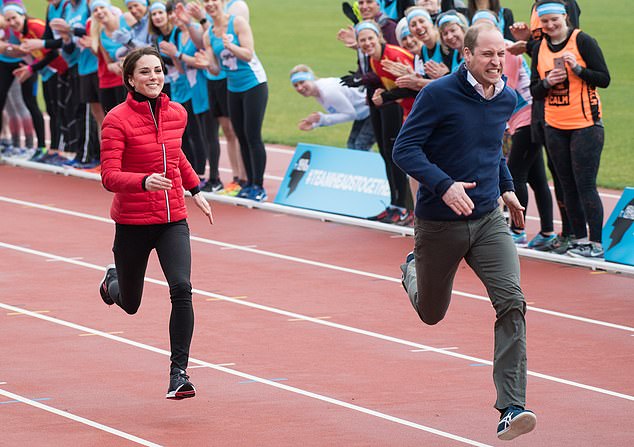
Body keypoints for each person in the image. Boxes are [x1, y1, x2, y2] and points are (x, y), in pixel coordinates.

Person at [393, 23, 536, 440]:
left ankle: (512, 407)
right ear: (468, 55)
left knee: (512, 301)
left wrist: (507, 191)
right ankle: (413, 270)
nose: (496, 62)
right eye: (488, 55)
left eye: (501, 55)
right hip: (440, 222)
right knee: (432, 314)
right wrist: (444, 184)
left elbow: (492, 151)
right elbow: (405, 148)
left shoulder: (506, 98)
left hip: (490, 219)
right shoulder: (437, 95)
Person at [99, 46, 213, 400]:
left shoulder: (177, 113)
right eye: (145, 72)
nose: (154, 78)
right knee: (130, 303)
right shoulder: (116, 120)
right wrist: (143, 181)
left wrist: (195, 189)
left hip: (172, 219)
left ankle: (179, 374)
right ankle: (111, 282)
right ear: (130, 79)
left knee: (182, 288)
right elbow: (109, 175)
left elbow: (175, 153)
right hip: (133, 221)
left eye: (158, 71)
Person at [530, 0, 610, 258]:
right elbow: (534, 91)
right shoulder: (539, 47)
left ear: (565, 16)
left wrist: (577, 69)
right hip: (554, 125)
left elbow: (604, 78)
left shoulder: (582, 41)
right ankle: (578, 239)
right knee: (566, 185)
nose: (550, 25)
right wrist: (546, 82)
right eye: (545, 21)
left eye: (554, 19)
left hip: (585, 125)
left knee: (585, 183)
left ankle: (595, 244)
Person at [471, 10, 555, 249]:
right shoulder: (490, 52)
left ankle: (517, 230)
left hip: (526, 118)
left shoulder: (505, 52)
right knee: (537, 177)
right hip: (524, 119)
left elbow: (499, 89)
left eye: (488, 27)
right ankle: (547, 231)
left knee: (515, 174)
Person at [202, 0, 268, 202]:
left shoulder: (237, 23)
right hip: (232, 87)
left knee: (252, 135)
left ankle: (259, 185)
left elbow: (248, 54)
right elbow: (216, 68)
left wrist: (231, 47)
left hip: (253, 83)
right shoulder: (208, 35)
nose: (210, 4)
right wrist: (206, 65)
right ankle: (247, 184)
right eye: (206, 1)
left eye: (213, 0)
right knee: (240, 134)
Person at [290, 64, 374, 151]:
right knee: (352, 145)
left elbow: (350, 114)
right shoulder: (318, 92)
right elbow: (342, 113)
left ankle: (381, 164)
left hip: (374, 108)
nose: (299, 88)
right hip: (364, 112)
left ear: (311, 79)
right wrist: (316, 123)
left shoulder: (328, 91)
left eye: (302, 82)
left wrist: (321, 119)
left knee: (361, 146)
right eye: (295, 85)